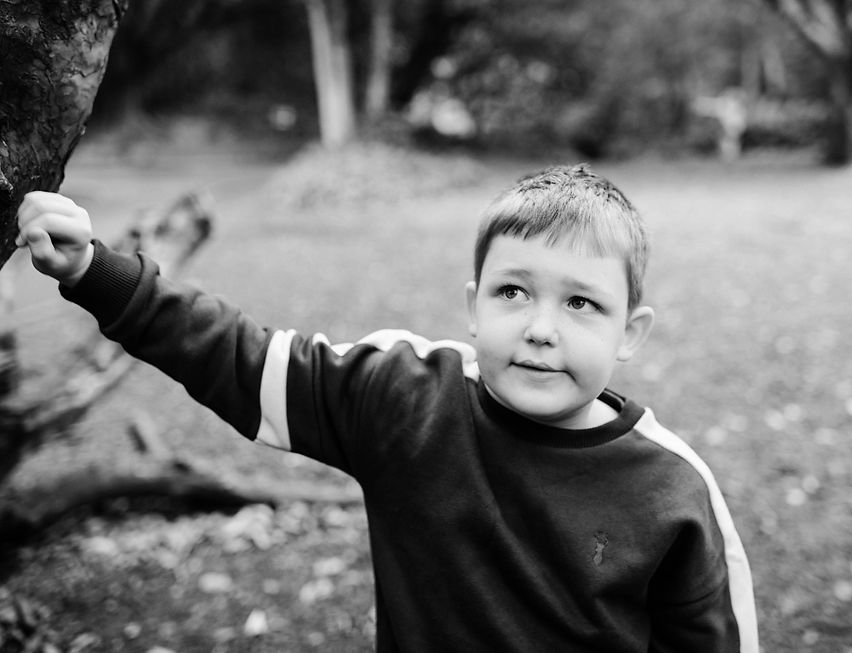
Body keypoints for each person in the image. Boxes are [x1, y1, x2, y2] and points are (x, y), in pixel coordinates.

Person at [16, 164, 758, 652]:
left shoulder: (671, 491)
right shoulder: (407, 399)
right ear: (472, 307)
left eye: (582, 303)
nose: (540, 326)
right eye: (513, 291)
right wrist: (94, 270)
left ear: (631, 332)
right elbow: (241, 359)